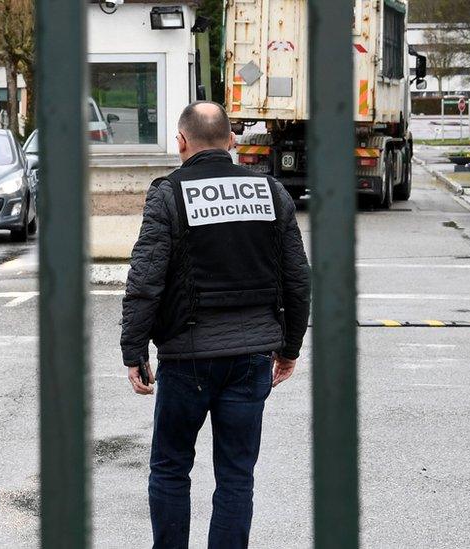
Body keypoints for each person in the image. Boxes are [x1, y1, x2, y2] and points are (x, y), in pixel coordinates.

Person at [120, 101, 311, 548]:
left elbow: (145, 279)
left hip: (186, 359)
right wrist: (290, 348)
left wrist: (134, 350)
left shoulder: (169, 193)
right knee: (236, 476)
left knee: (170, 467)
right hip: (251, 358)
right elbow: (298, 278)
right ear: (231, 142)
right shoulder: (270, 192)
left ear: (181, 142)